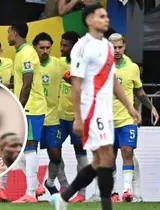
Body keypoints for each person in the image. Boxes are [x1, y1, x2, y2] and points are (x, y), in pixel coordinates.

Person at [50, 4, 141, 210]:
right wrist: (79, 117)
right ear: (90, 20)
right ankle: (106, 206)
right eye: (101, 16)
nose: (106, 19)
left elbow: (113, 80)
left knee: (100, 161)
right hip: (90, 109)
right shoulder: (82, 47)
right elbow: (76, 83)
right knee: (107, 157)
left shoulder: (108, 46)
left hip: (105, 110)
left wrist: (129, 105)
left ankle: (63, 198)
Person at [108, 33, 159, 202]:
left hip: (126, 119)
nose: (117, 50)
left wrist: (151, 107)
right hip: (106, 119)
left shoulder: (132, 67)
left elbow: (139, 91)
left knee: (127, 151)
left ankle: (127, 190)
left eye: (120, 47)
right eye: (113, 47)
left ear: (125, 46)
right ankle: (113, 192)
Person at [8, 22, 47, 203]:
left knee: (29, 147)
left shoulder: (26, 52)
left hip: (31, 106)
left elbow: (28, 81)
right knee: (18, 151)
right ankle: (36, 185)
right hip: (28, 106)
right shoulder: (20, 53)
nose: (7, 36)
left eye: (8, 32)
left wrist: (19, 106)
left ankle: (31, 193)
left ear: (14, 33)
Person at [51, 31, 89, 203]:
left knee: (80, 155)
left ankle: (82, 193)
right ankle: (64, 185)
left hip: (78, 118)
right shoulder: (58, 63)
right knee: (54, 153)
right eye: (61, 44)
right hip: (59, 117)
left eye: (65, 45)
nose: (61, 48)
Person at [32, 32, 64, 198]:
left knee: (56, 155)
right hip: (33, 115)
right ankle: (34, 188)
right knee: (30, 154)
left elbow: (73, 78)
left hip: (52, 118)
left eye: (48, 48)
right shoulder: (29, 64)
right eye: (41, 47)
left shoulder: (59, 64)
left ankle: (49, 182)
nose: (45, 51)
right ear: (35, 48)